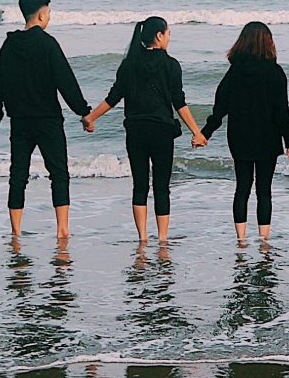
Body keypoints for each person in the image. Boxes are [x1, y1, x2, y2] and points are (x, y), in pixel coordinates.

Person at [86, 15, 209, 248]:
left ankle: (142, 239)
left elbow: (113, 98)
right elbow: (179, 103)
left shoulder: (129, 64)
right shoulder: (171, 65)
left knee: (140, 185)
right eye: (168, 33)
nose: (170, 37)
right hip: (162, 132)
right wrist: (197, 132)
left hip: (136, 131)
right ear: (159, 36)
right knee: (162, 186)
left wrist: (91, 117)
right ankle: (162, 240)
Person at [0, 0, 91, 244]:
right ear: (42, 14)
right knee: (58, 173)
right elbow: (65, 82)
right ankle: (62, 230)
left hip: (20, 121)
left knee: (18, 174)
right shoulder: (48, 44)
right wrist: (84, 112)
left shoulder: (9, 45)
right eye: (49, 12)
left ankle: (16, 230)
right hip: (48, 120)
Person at [205, 21, 289, 247]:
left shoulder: (234, 72)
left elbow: (220, 108)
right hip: (267, 138)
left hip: (239, 137)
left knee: (242, 187)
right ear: (267, 42)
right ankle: (264, 241)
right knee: (264, 190)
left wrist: (205, 133)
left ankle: (241, 239)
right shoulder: (275, 72)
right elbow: (281, 111)